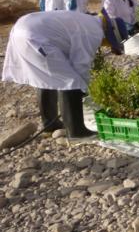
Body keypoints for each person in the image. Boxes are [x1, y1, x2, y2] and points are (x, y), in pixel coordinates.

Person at [1, 9, 127, 138]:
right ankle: (76, 131)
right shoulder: (94, 32)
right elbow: (81, 66)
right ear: (109, 34)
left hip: (21, 28)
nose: (106, 45)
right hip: (33, 37)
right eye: (110, 43)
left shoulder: (88, 21)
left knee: (46, 78)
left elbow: (70, 52)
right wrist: (86, 91)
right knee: (72, 81)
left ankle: (50, 125)